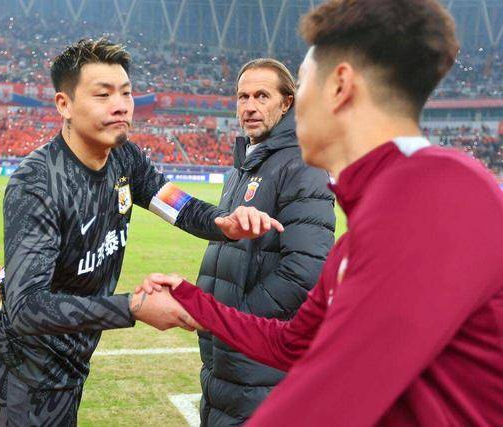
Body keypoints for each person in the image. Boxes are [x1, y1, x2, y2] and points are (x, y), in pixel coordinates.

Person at [135, 0, 503, 425]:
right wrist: (194, 301)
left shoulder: (441, 196)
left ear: (339, 86)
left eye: (303, 82)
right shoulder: (372, 217)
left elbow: (337, 393)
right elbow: (289, 344)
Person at [0, 38, 282, 426]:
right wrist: (133, 307)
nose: (121, 105)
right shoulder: (37, 184)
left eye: (126, 92)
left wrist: (223, 223)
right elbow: (27, 308)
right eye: (103, 95)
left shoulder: (124, 157)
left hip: (71, 357)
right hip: (24, 370)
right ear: (64, 105)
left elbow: (177, 204)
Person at [191, 58, 335, 425]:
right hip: (226, 355)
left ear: (287, 103)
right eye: (243, 97)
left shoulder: (303, 164)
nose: (250, 106)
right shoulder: (244, 166)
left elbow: (307, 269)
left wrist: (239, 321)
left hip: (258, 356)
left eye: (262, 96)